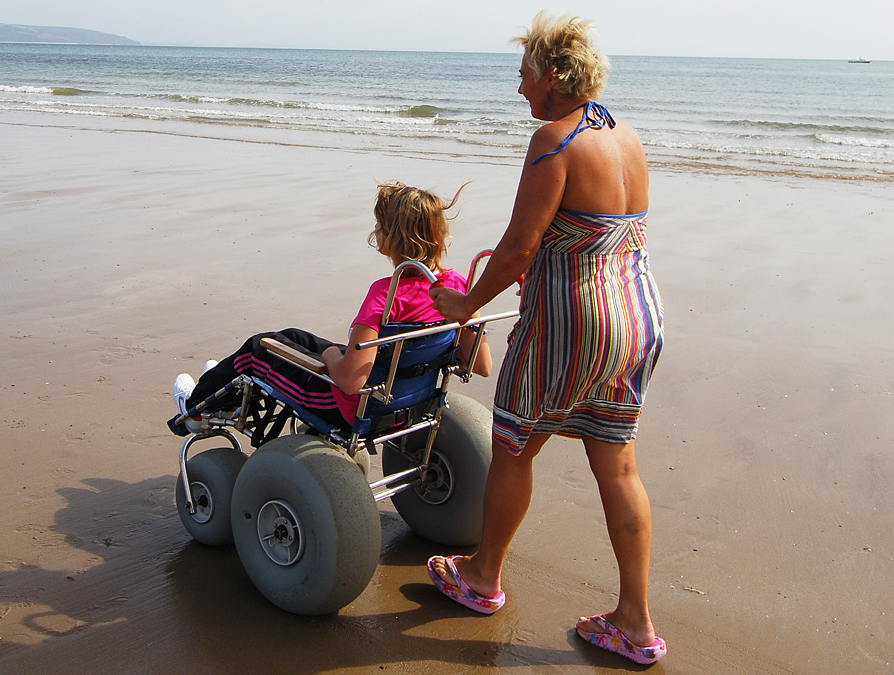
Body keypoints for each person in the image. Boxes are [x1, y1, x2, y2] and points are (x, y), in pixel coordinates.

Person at [423, 12, 667, 666]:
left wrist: (464, 302)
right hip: (637, 314)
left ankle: (480, 577)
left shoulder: (554, 143)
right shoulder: (626, 135)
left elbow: (519, 246)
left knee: (513, 445)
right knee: (617, 463)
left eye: (524, 73)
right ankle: (635, 623)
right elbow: (603, 230)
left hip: (572, 321)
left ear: (555, 75)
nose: (518, 88)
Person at [170, 181, 492, 434]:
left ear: (394, 236)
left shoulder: (385, 296)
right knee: (293, 337)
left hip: (352, 407)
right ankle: (221, 391)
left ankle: (195, 409)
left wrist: (329, 357)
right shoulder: (457, 288)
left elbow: (350, 381)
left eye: (380, 225)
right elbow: (481, 364)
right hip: (413, 401)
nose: (375, 230)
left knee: (258, 350)